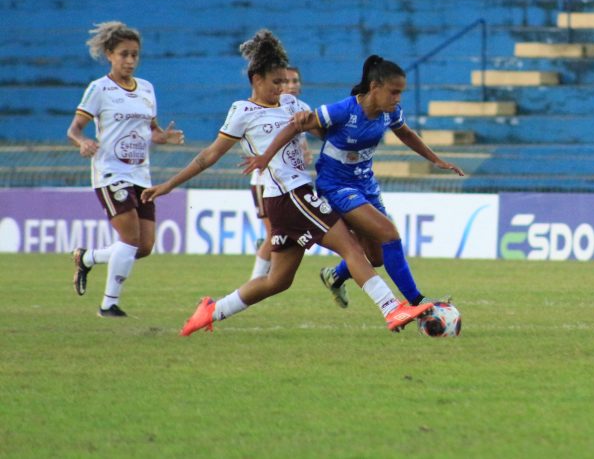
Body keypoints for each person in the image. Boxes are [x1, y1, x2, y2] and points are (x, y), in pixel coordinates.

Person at [141, 31, 433, 336]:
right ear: (256, 79)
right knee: (351, 248)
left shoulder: (292, 104)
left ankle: (212, 311)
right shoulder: (243, 112)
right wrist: (167, 185)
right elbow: (208, 156)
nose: (282, 88)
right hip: (289, 194)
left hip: (290, 198)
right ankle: (391, 308)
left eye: (285, 82)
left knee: (277, 280)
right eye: (276, 82)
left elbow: (329, 132)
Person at [243, 54, 464, 312]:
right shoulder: (344, 110)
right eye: (394, 92)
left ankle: (335, 276)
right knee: (388, 233)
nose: (398, 99)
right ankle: (417, 301)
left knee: (377, 256)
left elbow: (405, 133)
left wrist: (436, 159)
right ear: (374, 87)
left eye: (400, 93)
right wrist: (266, 156)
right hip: (336, 186)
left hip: (366, 185)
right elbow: (295, 126)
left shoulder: (390, 113)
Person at [66, 21, 185, 317]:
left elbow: (152, 131)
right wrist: (82, 142)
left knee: (144, 246)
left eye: (134, 55)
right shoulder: (99, 89)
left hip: (141, 175)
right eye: (124, 54)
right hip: (110, 173)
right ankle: (108, 304)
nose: (130, 60)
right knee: (129, 240)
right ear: (109, 54)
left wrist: (164, 138)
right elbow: (74, 129)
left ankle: (88, 258)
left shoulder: (146, 89)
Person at [249, 65, 313, 281]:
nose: (291, 86)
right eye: (286, 81)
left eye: (295, 81)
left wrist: (304, 155)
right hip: (265, 182)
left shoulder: (301, 109)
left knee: (279, 237)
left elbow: (300, 146)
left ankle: (261, 282)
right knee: (271, 235)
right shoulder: (267, 109)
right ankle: (255, 281)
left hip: (290, 184)